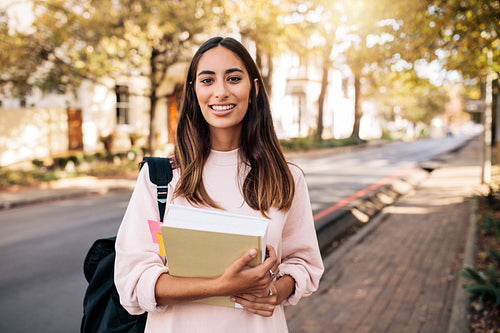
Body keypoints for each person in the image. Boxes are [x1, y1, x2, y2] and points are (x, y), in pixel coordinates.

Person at [115, 36, 324, 332]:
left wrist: (277, 292)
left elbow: (303, 263)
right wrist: (220, 285)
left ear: (253, 88)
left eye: (234, 78)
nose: (221, 92)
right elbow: (132, 282)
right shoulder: (160, 178)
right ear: (194, 90)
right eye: (207, 80)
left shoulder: (286, 178)